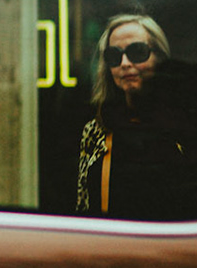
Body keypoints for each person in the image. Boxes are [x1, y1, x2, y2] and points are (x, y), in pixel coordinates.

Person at [75, 13, 184, 219]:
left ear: (159, 57)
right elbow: (84, 205)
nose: (124, 63)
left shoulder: (182, 126)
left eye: (137, 52)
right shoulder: (96, 130)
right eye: (114, 56)